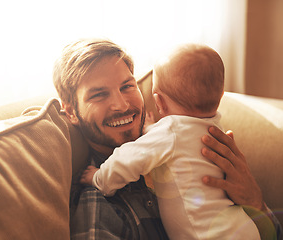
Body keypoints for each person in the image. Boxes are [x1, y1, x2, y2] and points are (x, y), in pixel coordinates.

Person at [53, 38, 282, 239]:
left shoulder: (209, 149)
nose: (122, 105)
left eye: (127, 86)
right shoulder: (100, 203)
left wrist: (255, 203)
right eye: (99, 94)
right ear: (71, 111)